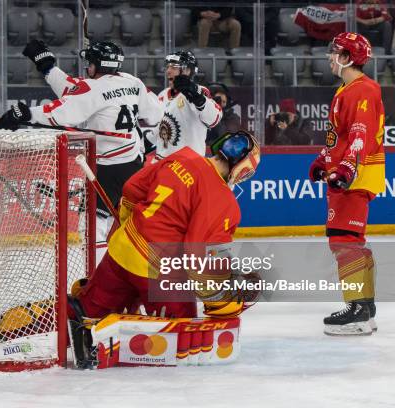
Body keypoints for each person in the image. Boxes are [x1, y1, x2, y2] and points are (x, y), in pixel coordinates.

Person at [67, 130, 261, 367]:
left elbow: (131, 189)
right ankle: (127, 344)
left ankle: (32, 324)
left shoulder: (183, 156)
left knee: (87, 309)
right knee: (184, 333)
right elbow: (197, 254)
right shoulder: (223, 200)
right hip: (157, 270)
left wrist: (124, 228)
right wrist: (221, 293)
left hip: (121, 249)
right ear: (243, 169)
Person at [6, 39, 163, 265]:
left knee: (92, 226)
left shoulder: (92, 88)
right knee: (122, 223)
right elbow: (154, 115)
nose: (87, 68)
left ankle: (99, 280)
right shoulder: (134, 82)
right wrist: (47, 67)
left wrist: (25, 113)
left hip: (107, 169)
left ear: (98, 65)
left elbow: (62, 113)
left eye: (90, 63)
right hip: (134, 165)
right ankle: (126, 277)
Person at [309, 32, 385, 336]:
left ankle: (357, 310)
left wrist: (347, 168)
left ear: (347, 57)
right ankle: (364, 309)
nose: (329, 56)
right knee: (350, 241)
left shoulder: (363, 90)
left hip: (354, 177)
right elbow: (337, 136)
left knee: (344, 242)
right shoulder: (347, 90)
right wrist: (323, 159)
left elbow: (359, 134)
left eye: (334, 51)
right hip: (345, 174)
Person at [144, 50, 222, 162]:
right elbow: (165, 124)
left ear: (187, 70)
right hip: (162, 162)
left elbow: (214, 119)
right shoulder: (163, 94)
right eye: (168, 67)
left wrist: (198, 98)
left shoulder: (199, 91)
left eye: (174, 67)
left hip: (188, 164)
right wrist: (148, 141)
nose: (168, 71)